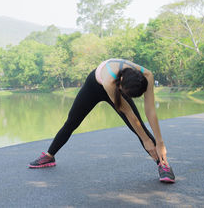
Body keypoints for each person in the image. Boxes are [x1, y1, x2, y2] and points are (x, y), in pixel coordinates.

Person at [28, 58, 175, 183]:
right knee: (72, 121)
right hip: (94, 86)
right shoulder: (110, 82)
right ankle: (49, 156)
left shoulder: (147, 75)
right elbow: (130, 114)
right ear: (121, 87)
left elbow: (150, 111)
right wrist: (146, 140)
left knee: (140, 128)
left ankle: (163, 164)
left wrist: (160, 142)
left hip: (119, 83)